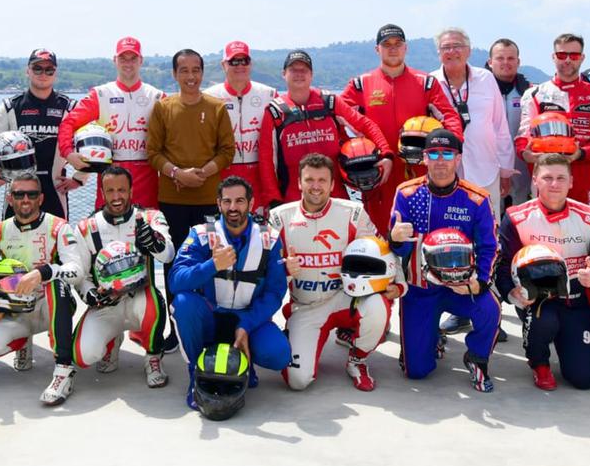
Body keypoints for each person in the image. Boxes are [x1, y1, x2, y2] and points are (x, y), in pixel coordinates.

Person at [269, 154, 401, 392]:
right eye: (309, 180)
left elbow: (382, 250)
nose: (316, 186)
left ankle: (357, 360)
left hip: (346, 298)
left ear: (332, 184)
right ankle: (294, 335)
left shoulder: (353, 212)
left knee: (378, 306)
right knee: (297, 381)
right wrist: (283, 270)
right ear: (299, 182)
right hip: (305, 306)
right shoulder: (279, 217)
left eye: (322, 180)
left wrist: (398, 284)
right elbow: (262, 268)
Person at [496, 154, 590, 391]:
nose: (554, 184)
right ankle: (539, 362)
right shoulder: (516, 216)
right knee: (544, 320)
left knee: (584, 379)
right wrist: (512, 294)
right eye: (547, 178)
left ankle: (570, 342)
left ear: (571, 182)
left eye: (560, 178)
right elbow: (502, 265)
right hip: (538, 300)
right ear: (535, 180)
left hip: (576, 301)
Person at [390, 130, 500, 391]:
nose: (441, 160)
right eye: (434, 154)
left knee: (489, 308)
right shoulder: (406, 194)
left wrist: (480, 283)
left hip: (460, 287)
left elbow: (490, 247)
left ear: (458, 158)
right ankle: (431, 337)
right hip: (420, 289)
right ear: (424, 158)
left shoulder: (477, 198)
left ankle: (476, 357)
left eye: (447, 154)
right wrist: (394, 239)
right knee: (416, 372)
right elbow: (398, 250)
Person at [169, 176, 291, 410]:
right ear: (218, 204)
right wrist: (212, 265)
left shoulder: (269, 239)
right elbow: (175, 281)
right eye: (227, 201)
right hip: (211, 317)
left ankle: (246, 362)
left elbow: (276, 292)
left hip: (248, 318)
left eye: (239, 201)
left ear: (251, 203)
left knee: (278, 355)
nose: (233, 207)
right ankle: (196, 373)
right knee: (183, 302)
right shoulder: (201, 234)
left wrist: (246, 324)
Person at [340, 23, 464, 236]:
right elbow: (337, 117)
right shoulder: (360, 84)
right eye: (386, 44)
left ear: (405, 48)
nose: (393, 48)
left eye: (398, 44)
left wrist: (451, 147)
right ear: (377, 49)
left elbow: (450, 117)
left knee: (422, 232)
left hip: (418, 170)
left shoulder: (425, 83)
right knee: (381, 233)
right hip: (379, 174)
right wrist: (353, 148)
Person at [60, 166, 174, 390]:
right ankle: (112, 341)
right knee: (83, 356)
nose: (116, 196)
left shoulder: (151, 217)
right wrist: (90, 294)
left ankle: (153, 357)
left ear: (131, 190)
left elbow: (168, 254)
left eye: (121, 190)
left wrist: (153, 241)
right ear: (102, 193)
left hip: (140, 298)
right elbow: (80, 273)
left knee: (154, 303)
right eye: (110, 191)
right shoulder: (86, 227)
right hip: (107, 303)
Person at [0, 173, 79, 406]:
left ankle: (63, 370)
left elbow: (76, 269)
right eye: (19, 194)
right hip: (16, 309)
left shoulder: (59, 226)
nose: (26, 199)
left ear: (41, 198)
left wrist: (44, 272)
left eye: (32, 194)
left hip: (49, 306)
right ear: (10, 199)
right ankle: (23, 340)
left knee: (58, 283)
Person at [146, 49, 236, 297]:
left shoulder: (217, 108)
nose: (190, 76)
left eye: (196, 70)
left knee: (209, 259)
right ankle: (175, 325)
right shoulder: (163, 108)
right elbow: (152, 153)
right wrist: (177, 173)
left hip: (208, 200)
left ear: (203, 73)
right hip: (172, 201)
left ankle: (206, 323)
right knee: (173, 261)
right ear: (175, 74)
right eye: (184, 70)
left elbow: (228, 151)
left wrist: (203, 173)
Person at [257, 50, 393, 209]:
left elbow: (364, 124)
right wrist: (274, 201)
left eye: (304, 70)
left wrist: (387, 154)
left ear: (311, 74)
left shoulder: (330, 102)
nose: (299, 74)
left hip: (335, 198)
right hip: (294, 201)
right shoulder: (274, 112)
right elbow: (266, 162)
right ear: (284, 74)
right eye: (294, 69)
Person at [59, 36, 166, 210]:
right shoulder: (101, 94)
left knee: (147, 234)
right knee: (106, 234)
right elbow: (68, 124)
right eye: (123, 58)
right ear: (115, 60)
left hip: (147, 179)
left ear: (141, 61)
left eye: (133, 58)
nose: (128, 63)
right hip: (110, 178)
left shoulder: (156, 96)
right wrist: (69, 153)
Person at [516, 33, 590, 210]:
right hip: (546, 174)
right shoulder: (535, 94)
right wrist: (525, 154)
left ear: (582, 58)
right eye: (562, 55)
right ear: (554, 57)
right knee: (545, 232)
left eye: (574, 55)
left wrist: (581, 153)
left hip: (585, 173)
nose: (568, 60)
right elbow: (522, 137)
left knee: (588, 232)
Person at [0, 48, 80, 219]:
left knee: (57, 241)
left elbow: (88, 144)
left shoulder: (69, 107)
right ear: (28, 71)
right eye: (37, 68)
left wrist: (79, 178)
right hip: (18, 187)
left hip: (55, 187)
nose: (43, 74)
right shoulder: (10, 106)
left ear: (55, 73)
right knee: (10, 240)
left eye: (49, 70)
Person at [429, 28, 515, 222]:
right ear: (439, 54)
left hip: (486, 169)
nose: (452, 51)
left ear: (469, 50)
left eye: (457, 46)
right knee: (447, 229)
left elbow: (500, 126)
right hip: (443, 172)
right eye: (446, 47)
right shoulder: (430, 82)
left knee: (488, 230)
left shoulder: (486, 78)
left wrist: (505, 169)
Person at [205, 40, 276, 215]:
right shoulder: (209, 96)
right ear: (224, 65)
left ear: (250, 64)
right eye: (233, 61)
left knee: (259, 234)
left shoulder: (269, 94)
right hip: (222, 174)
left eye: (244, 61)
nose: (239, 66)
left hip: (259, 175)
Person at [487, 38, 531, 209]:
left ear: (518, 62)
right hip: (488, 163)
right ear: (490, 62)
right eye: (500, 58)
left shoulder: (530, 91)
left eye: (511, 58)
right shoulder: (477, 90)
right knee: (490, 212)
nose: (506, 63)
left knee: (520, 212)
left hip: (521, 165)